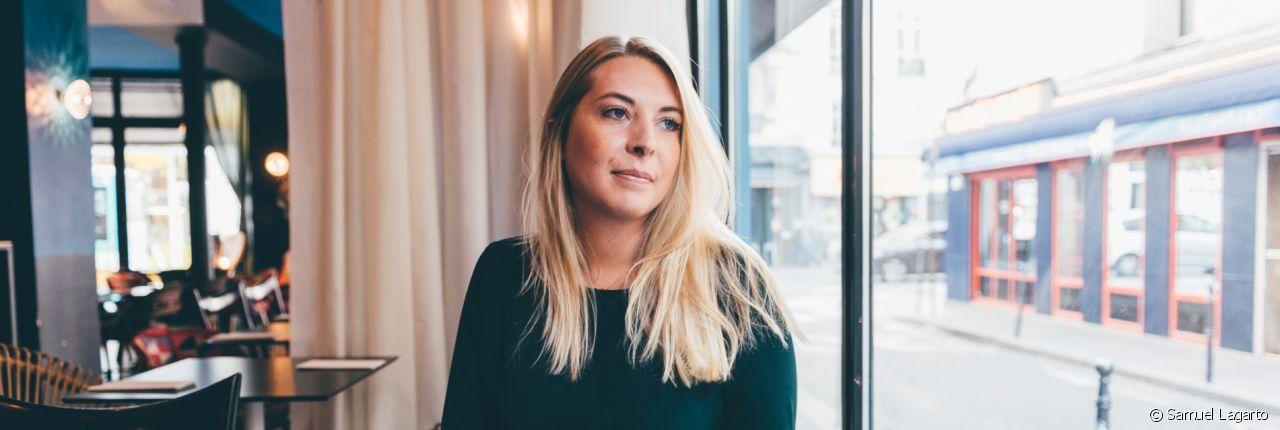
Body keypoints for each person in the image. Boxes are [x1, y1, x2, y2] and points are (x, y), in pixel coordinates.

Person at [441, 35, 797, 430]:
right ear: (559, 133)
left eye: (669, 123)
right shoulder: (504, 274)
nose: (645, 143)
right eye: (616, 112)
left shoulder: (737, 289)